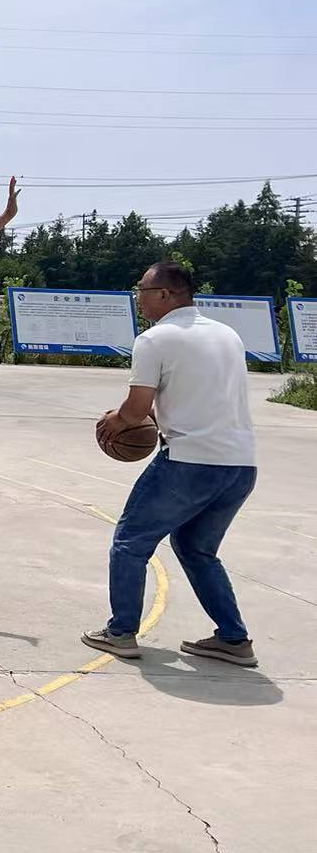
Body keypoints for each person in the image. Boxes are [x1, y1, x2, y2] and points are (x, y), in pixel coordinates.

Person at [85, 263, 259, 667]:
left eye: (142, 290)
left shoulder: (154, 339)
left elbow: (136, 410)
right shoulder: (228, 335)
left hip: (189, 462)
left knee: (130, 542)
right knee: (197, 548)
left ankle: (121, 632)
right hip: (240, 465)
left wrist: (114, 422)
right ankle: (233, 639)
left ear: (165, 294)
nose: (138, 298)